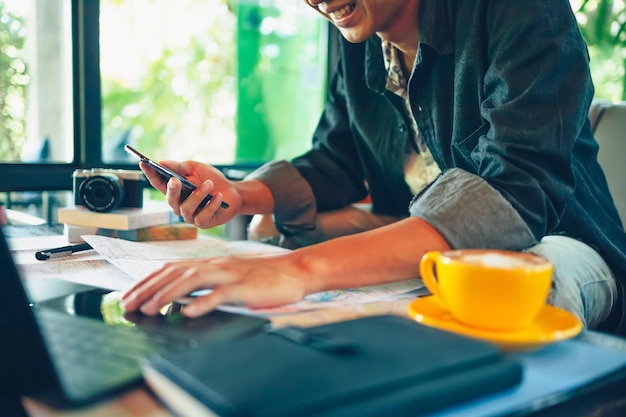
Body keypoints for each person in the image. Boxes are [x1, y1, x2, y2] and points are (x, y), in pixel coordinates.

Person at [121, 0, 626, 335]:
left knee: (524, 289)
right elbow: (339, 156)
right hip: (426, 246)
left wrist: (296, 272)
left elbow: (518, 188)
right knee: (274, 226)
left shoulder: (519, 10)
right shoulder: (357, 35)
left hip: (560, 243)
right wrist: (239, 193)